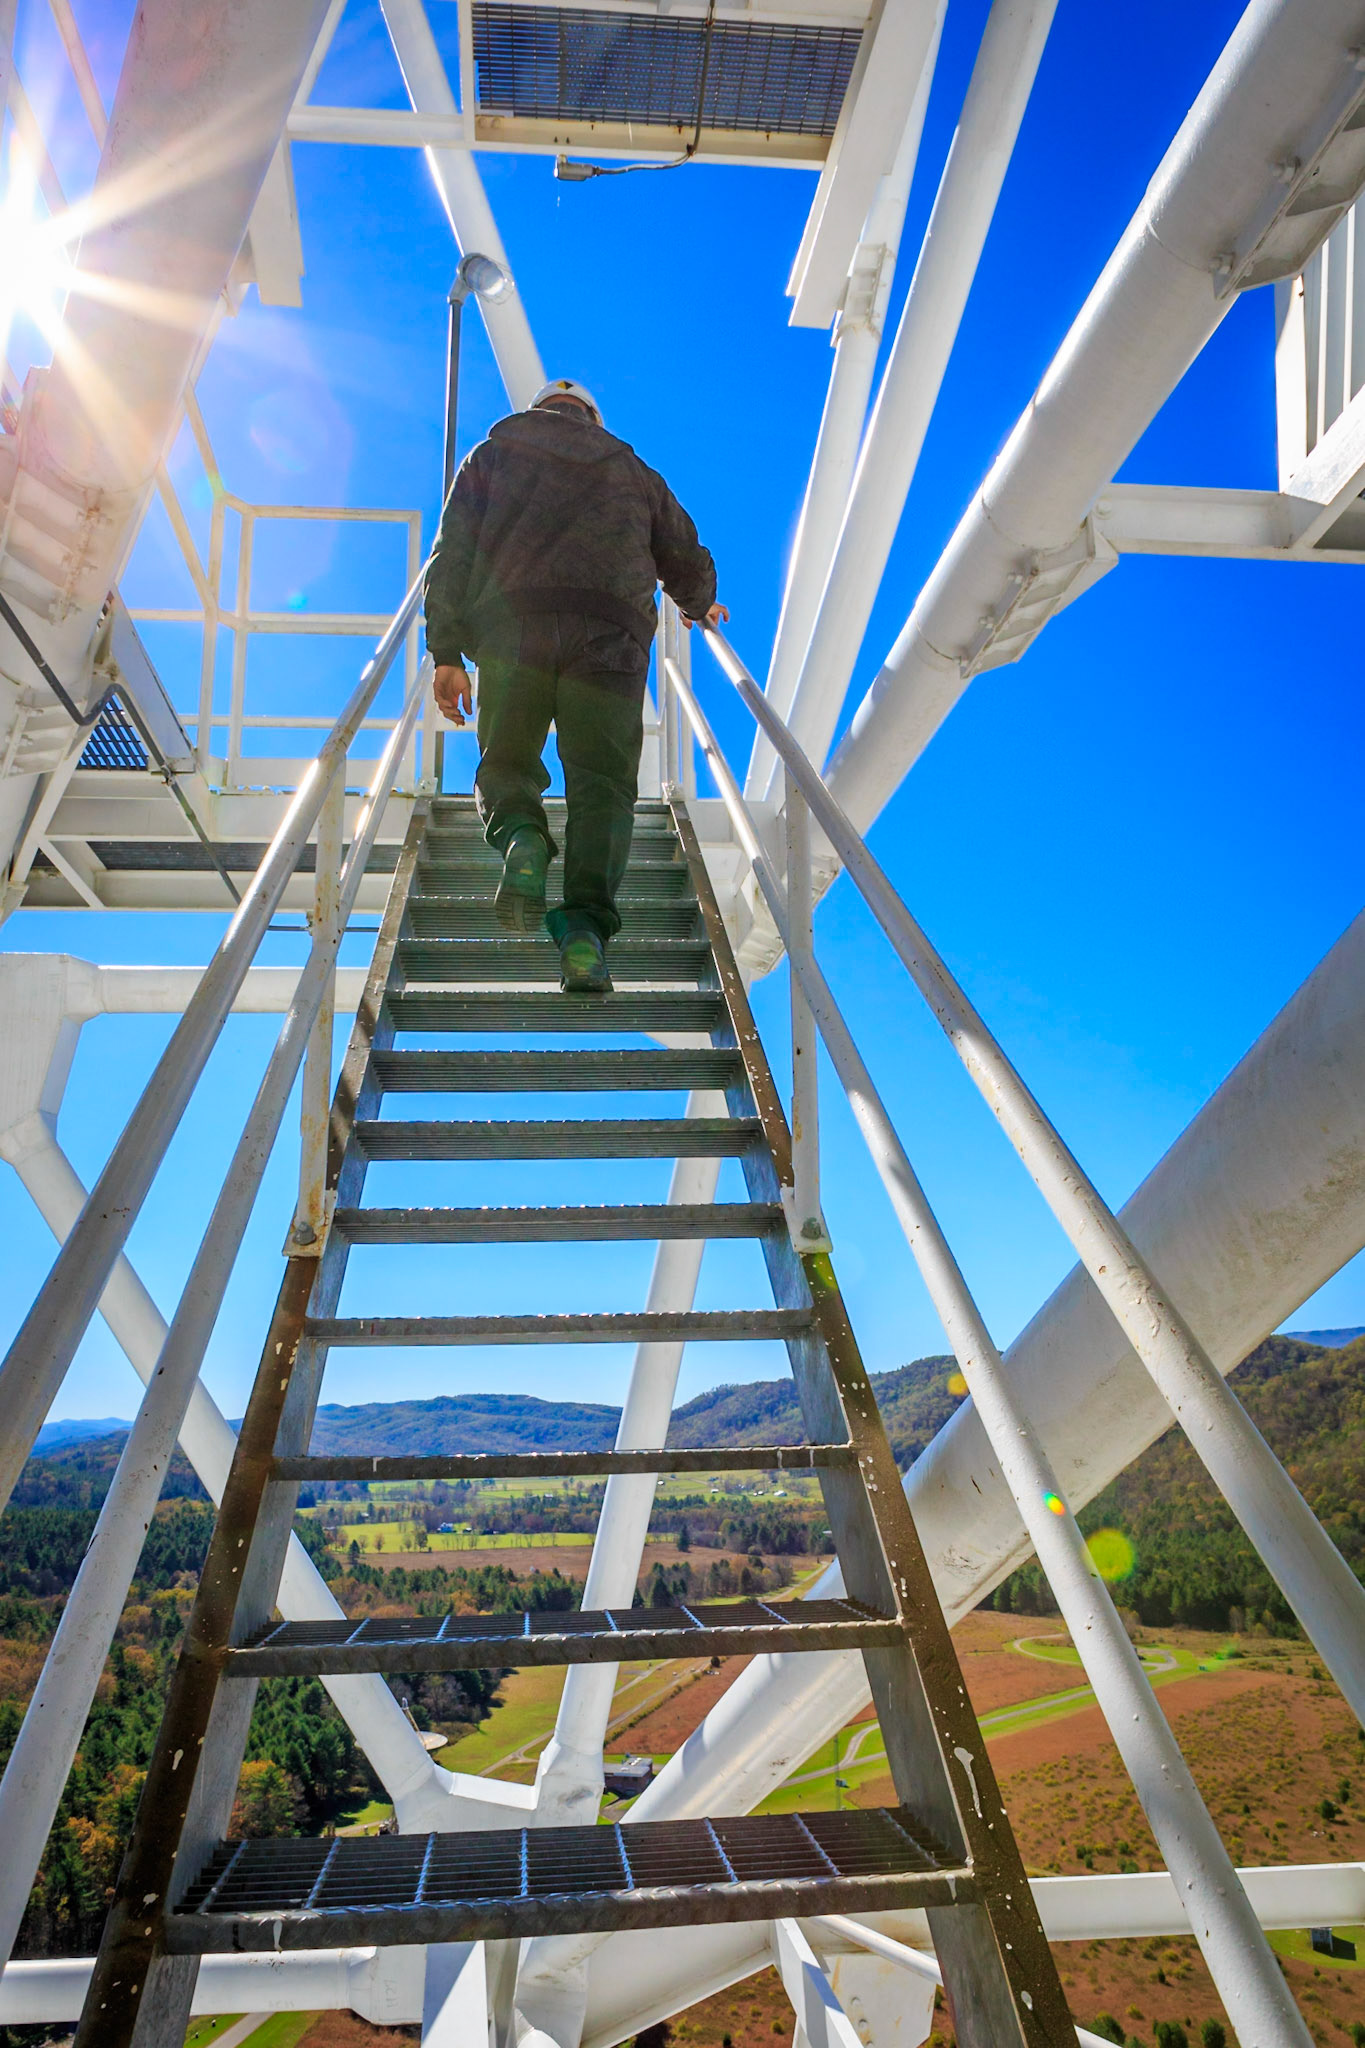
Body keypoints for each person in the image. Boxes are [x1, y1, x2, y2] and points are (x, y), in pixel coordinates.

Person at [424, 377, 727, 993]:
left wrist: (446, 653)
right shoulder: (630, 468)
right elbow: (683, 554)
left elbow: (451, 552)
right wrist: (700, 605)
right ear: (591, 416)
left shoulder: (491, 455)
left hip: (512, 630)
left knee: (506, 760)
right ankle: (585, 931)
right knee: (602, 785)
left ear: (537, 412)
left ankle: (524, 839)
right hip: (610, 636)